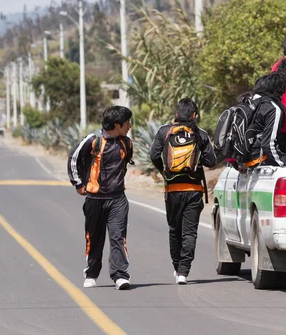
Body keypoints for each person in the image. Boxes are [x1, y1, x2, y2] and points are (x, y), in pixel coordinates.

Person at [149, 98, 217, 285]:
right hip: (194, 191)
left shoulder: (164, 131)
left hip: (172, 190)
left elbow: (153, 155)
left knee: (174, 231)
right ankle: (184, 272)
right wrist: (197, 161)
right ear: (194, 115)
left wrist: (165, 171)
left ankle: (177, 266)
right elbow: (212, 161)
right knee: (189, 233)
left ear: (177, 113)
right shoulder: (200, 134)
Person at [67, 106, 134, 290]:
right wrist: (79, 184)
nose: (130, 126)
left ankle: (120, 275)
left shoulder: (126, 143)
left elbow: (125, 163)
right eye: (127, 123)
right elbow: (73, 158)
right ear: (117, 125)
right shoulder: (93, 140)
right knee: (94, 238)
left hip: (118, 199)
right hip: (94, 199)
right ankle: (91, 273)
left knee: (118, 237)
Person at [246, 72, 286, 168]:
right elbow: (267, 144)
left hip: (244, 159)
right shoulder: (272, 108)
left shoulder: (249, 104)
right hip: (260, 158)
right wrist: (282, 165)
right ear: (279, 91)